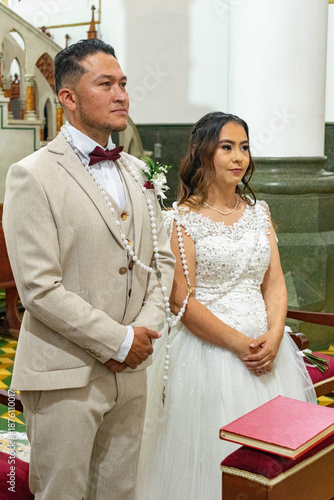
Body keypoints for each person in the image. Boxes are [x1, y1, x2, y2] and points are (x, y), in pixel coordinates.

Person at [3, 39, 175, 500]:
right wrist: (117, 340)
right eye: (106, 84)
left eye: (123, 84)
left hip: (133, 369)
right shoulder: (32, 175)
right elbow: (39, 289)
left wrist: (144, 332)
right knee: (63, 492)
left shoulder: (140, 171)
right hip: (64, 372)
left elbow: (162, 264)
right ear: (69, 98)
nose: (122, 94)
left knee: (119, 492)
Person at [136, 111, 316, 500]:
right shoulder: (181, 220)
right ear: (204, 153)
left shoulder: (259, 213)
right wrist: (238, 344)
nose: (239, 158)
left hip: (268, 349)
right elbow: (181, 297)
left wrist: (273, 334)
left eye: (245, 148)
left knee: (275, 457)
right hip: (211, 353)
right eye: (227, 147)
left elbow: (275, 283)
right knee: (212, 455)